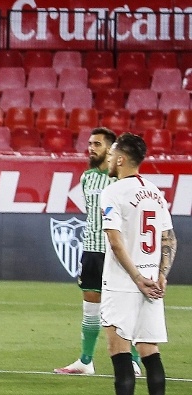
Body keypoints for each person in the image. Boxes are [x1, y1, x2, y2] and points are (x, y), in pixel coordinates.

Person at [91, 132, 176, 395]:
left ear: (122, 159)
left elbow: (115, 241)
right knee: (150, 350)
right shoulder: (155, 191)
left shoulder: (112, 192)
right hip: (153, 282)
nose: (109, 159)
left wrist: (137, 278)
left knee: (119, 348)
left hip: (125, 282)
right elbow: (169, 238)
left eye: (112, 154)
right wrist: (161, 273)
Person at [56, 128, 138, 376]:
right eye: (90, 144)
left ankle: (133, 360)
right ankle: (85, 361)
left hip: (116, 251)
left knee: (123, 307)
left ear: (111, 150)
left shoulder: (121, 181)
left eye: (97, 144)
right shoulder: (87, 178)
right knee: (90, 307)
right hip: (90, 249)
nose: (91, 148)